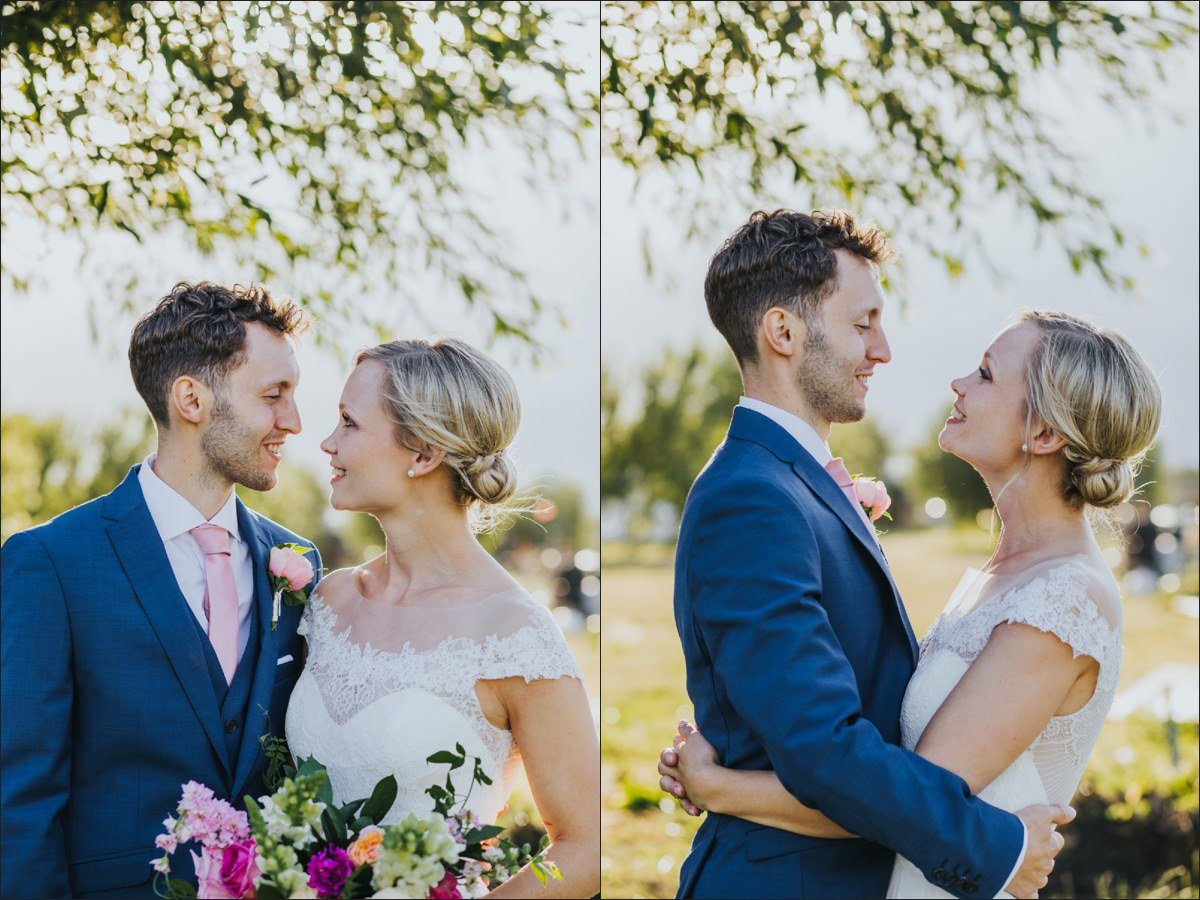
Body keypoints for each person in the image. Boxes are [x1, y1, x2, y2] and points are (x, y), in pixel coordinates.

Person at [660, 309, 1161, 899]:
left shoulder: (1062, 603)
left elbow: (905, 801)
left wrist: (720, 787)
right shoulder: (1002, 574)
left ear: (1045, 435)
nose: (959, 384)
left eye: (985, 375)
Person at [1, 282, 320, 899]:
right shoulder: (49, 562)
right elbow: (19, 799)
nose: (295, 422)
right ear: (191, 398)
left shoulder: (296, 562)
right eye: (273, 395)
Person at [285, 338, 600, 898]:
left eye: (349, 423)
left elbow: (583, 847)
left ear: (423, 453)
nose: (327, 443)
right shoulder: (330, 603)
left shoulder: (514, 636)